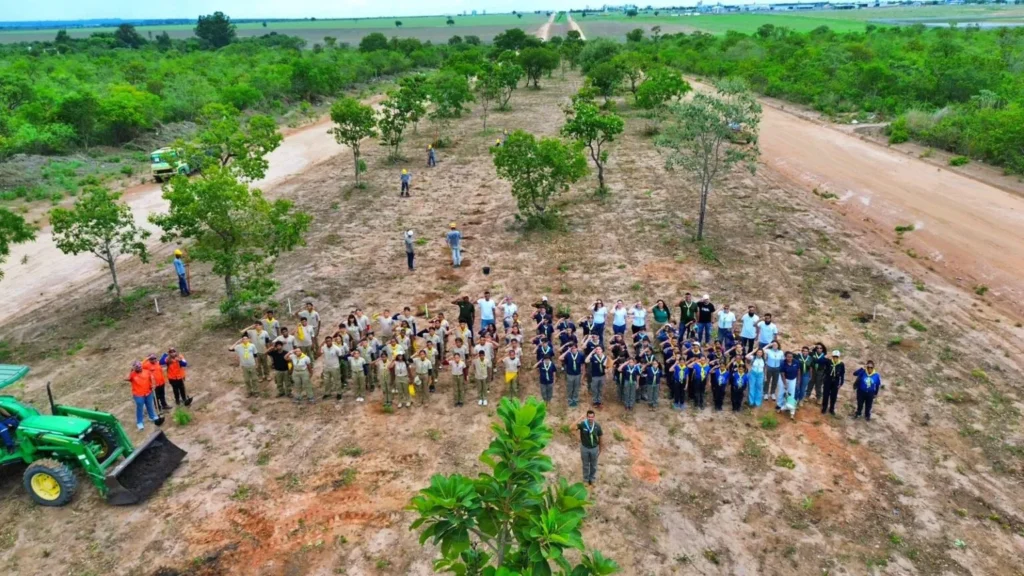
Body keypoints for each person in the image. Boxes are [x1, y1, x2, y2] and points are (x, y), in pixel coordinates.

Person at [127, 361, 164, 430]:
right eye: (137, 367)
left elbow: (152, 378)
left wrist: (153, 385)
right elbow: (125, 378)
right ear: (135, 368)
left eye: (140, 366)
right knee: (140, 408)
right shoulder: (132, 374)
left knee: (150, 405)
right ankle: (139, 422)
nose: (139, 368)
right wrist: (130, 370)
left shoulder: (147, 371)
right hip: (138, 394)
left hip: (148, 392)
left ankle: (152, 416)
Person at [577, 410, 603, 485]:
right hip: (584, 448)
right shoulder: (583, 424)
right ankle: (585, 479)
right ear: (587, 417)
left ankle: (592, 479)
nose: (590, 418)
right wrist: (580, 418)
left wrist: (600, 449)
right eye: (589, 417)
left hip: (594, 449)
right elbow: (570, 428)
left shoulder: (597, 426)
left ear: (594, 417)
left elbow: (600, 437)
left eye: (592, 417)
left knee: (593, 465)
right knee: (585, 465)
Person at [821, 350, 845, 416]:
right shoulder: (828, 361)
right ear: (832, 356)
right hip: (828, 380)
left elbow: (842, 374)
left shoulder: (841, 364)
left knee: (833, 396)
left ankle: (832, 409)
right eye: (834, 356)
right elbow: (821, 361)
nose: (835, 358)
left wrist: (841, 383)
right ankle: (824, 407)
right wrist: (827, 356)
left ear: (838, 357)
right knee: (825, 395)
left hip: (836, 381)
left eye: (836, 357)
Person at [320, 335, 344, 400]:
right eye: (326, 341)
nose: (328, 342)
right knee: (326, 381)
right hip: (326, 367)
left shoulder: (336, 348)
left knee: (337, 380)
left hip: (334, 367)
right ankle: (327, 393)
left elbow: (340, 356)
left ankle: (339, 393)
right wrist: (321, 345)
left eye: (329, 341)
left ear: (332, 341)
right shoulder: (323, 347)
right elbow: (319, 353)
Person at [778, 351, 801, 418]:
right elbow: (782, 374)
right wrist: (785, 384)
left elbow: (798, 371)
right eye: (788, 357)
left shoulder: (796, 362)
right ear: (786, 357)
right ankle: (779, 405)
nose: (789, 358)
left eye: (791, 357)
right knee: (782, 392)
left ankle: (789, 405)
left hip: (793, 379)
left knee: (791, 393)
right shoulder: (783, 363)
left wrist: (798, 380)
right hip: (784, 379)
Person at [561, 343, 584, 408]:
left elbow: (583, 365)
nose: (573, 349)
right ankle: (570, 400)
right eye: (572, 348)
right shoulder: (568, 355)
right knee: (570, 388)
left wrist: (583, 373)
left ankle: (575, 400)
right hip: (570, 374)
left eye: (574, 348)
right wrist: (567, 351)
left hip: (578, 374)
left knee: (576, 388)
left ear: (577, 348)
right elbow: (560, 358)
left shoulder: (581, 355)